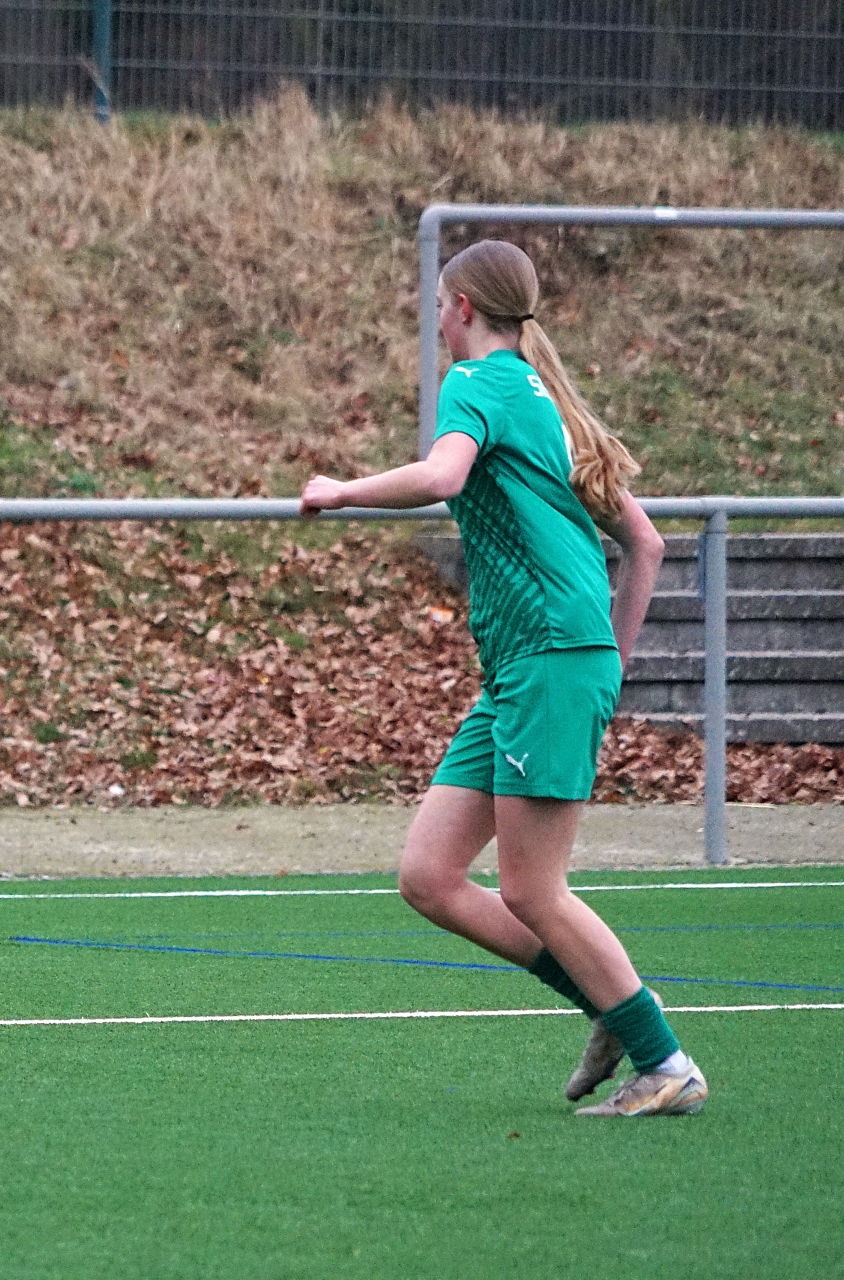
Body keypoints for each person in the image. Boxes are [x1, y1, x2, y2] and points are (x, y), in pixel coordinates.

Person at [299, 239, 705, 1117]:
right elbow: (646, 545)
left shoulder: (478, 382)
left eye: (439, 308)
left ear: (464, 309)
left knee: (530, 889)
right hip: (531, 668)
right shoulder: (542, 398)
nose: (436, 323)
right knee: (430, 876)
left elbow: (442, 475)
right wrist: (607, 663)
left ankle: (665, 1063)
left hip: (548, 661)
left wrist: (340, 490)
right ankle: (612, 1007)